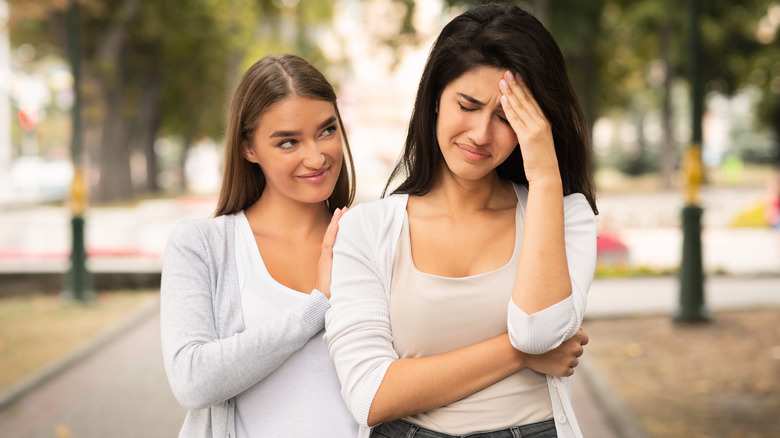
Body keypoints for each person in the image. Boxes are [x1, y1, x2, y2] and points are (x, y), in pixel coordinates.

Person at [325, 4, 597, 438]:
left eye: (508, 118)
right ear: (435, 98)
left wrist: (545, 176)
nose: (481, 134)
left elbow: (537, 329)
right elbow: (370, 395)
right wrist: (518, 356)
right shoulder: (367, 231)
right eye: (467, 105)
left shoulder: (566, 216)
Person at [160, 54, 358, 438]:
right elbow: (192, 380)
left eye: (327, 130)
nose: (316, 156)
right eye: (288, 142)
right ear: (249, 148)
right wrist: (316, 307)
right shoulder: (202, 246)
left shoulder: (369, 237)